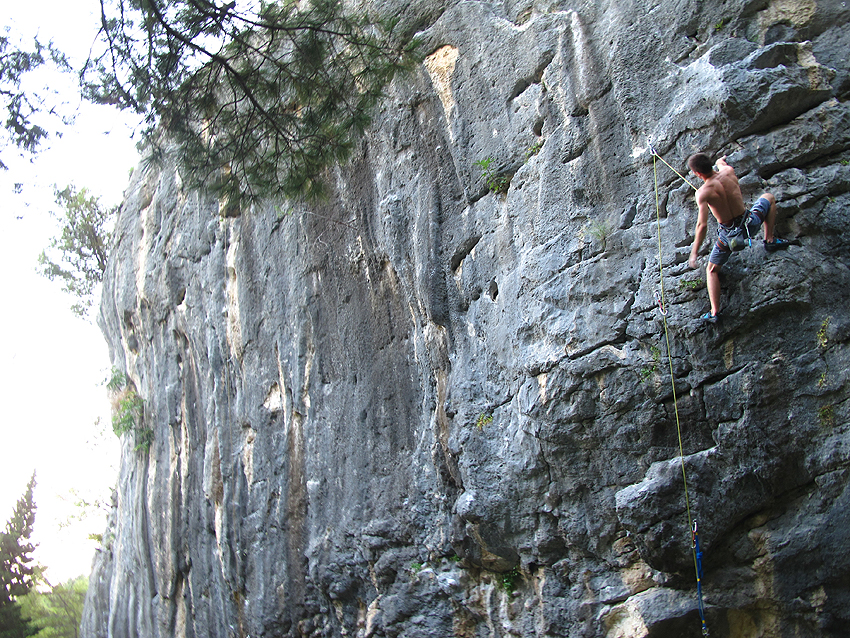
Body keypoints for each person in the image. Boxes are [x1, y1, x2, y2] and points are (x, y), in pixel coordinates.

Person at [686, 152, 799, 323]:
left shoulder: (703, 193)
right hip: (750, 224)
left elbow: (702, 225)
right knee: (768, 198)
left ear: (697, 174)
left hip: (728, 237)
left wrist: (694, 252)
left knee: (711, 270)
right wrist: (720, 161)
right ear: (710, 165)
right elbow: (721, 165)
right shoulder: (729, 171)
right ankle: (769, 240)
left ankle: (715, 312)